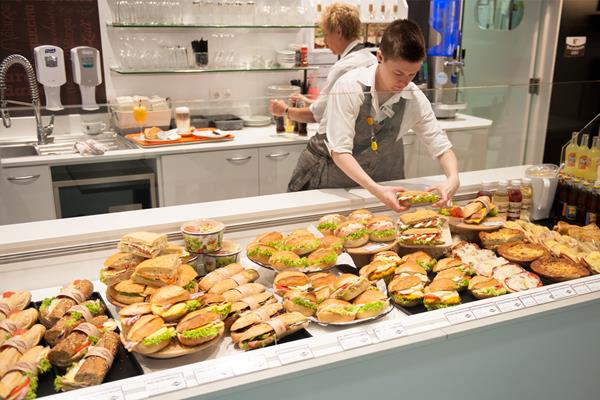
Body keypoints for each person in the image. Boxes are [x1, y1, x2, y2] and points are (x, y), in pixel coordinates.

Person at [287, 19, 460, 213]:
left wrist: (452, 178)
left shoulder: (414, 98)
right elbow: (340, 152)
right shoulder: (350, 86)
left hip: (373, 185)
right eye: (398, 73)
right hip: (328, 179)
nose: (404, 82)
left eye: (412, 74)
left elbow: (441, 146)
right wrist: (376, 190)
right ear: (380, 56)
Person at [270, 3, 376, 128]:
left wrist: (285, 110)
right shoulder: (371, 59)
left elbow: (317, 114)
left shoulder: (344, 67)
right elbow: (341, 104)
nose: (325, 41)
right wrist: (311, 102)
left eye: (326, 34)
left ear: (338, 32)